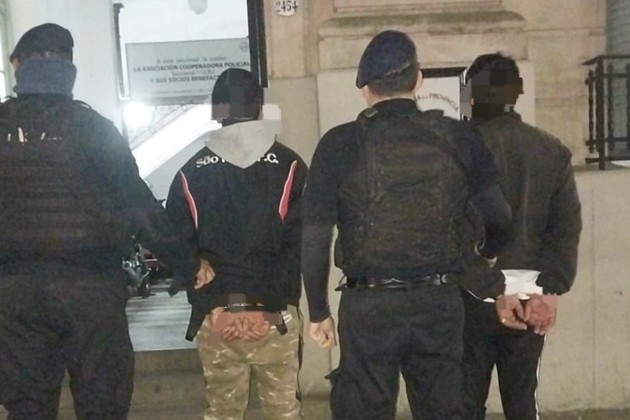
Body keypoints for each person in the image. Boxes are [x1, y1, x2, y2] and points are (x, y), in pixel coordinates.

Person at [0, 23, 213, 420]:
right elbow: (139, 207)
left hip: (14, 292)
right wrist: (187, 263)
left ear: (18, 66)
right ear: (69, 68)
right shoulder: (94, 128)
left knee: (27, 408)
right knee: (102, 405)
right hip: (92, 288)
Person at [301, 30, 516, 420]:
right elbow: (499, 218)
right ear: (418, 80)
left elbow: (314, 236)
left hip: (368, 304)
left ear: (365, 89)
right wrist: (484, 256)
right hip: (439, 301)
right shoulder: (459, 137)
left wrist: (318, 311)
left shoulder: (338, 144)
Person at [165, 68, 307, 420]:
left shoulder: (190, 172)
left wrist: (193, 268)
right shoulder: (289, 165)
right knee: (283, 412)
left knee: (223, 412)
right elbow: (305, 238)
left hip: (218, 310)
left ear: (217, 111)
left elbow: (170, 237)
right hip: (275, 309)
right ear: (259, 108)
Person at [460, 53, 582, 420]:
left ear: (471, 96)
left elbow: (452, 228)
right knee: (522, 401)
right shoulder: (550, 150)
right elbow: (565, 227)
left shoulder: (458, 149)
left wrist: (491, 286)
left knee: (464, 402)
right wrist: (550, 290)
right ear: (516, 94)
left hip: (469, 293)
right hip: (531, 295)